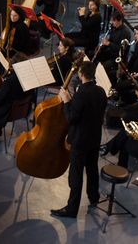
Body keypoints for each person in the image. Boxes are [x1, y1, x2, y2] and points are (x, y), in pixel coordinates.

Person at [52, 61, 107, 218]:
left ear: (81, 74)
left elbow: (71, 119)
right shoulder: (101, 91)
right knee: (92, 168)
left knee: (76, 175)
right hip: (94, 138)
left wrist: (66, 101)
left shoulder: (81, 94)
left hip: (80, 140)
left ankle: (72, 209)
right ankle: (93, 196)